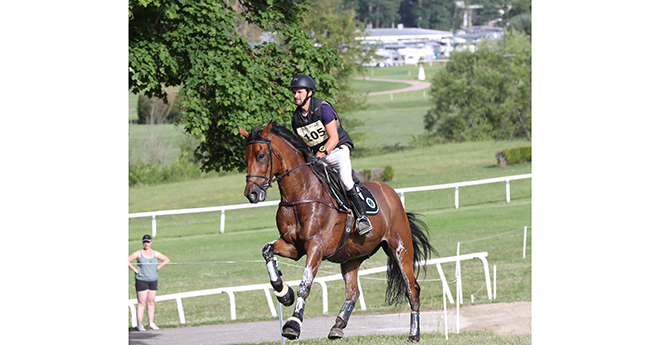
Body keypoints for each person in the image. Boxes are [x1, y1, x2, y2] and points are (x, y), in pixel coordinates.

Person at [289, 74, 373, 235]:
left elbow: (333, 138)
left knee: (346, 181)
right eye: (294, 92)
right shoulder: (296, 119)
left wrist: (320, 155)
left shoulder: (323, 108)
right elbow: (305, 144)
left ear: (309, 92)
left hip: (337, 150)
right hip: (319, 157)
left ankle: (363, 218)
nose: (295, 96)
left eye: (299, 92)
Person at [128, 234, 170, 331]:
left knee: (151, 302)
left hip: (153, 280)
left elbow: (166, 259)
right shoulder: (139, 253)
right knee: (141, 302)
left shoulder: (155, 253)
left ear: (151, 242)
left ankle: (151, 322)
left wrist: (157, 268)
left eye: (148, 242)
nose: (146, 244)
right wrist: (135, 269)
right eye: (144, 242)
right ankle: (140, 324)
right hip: (142, 280)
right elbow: (127, 260)